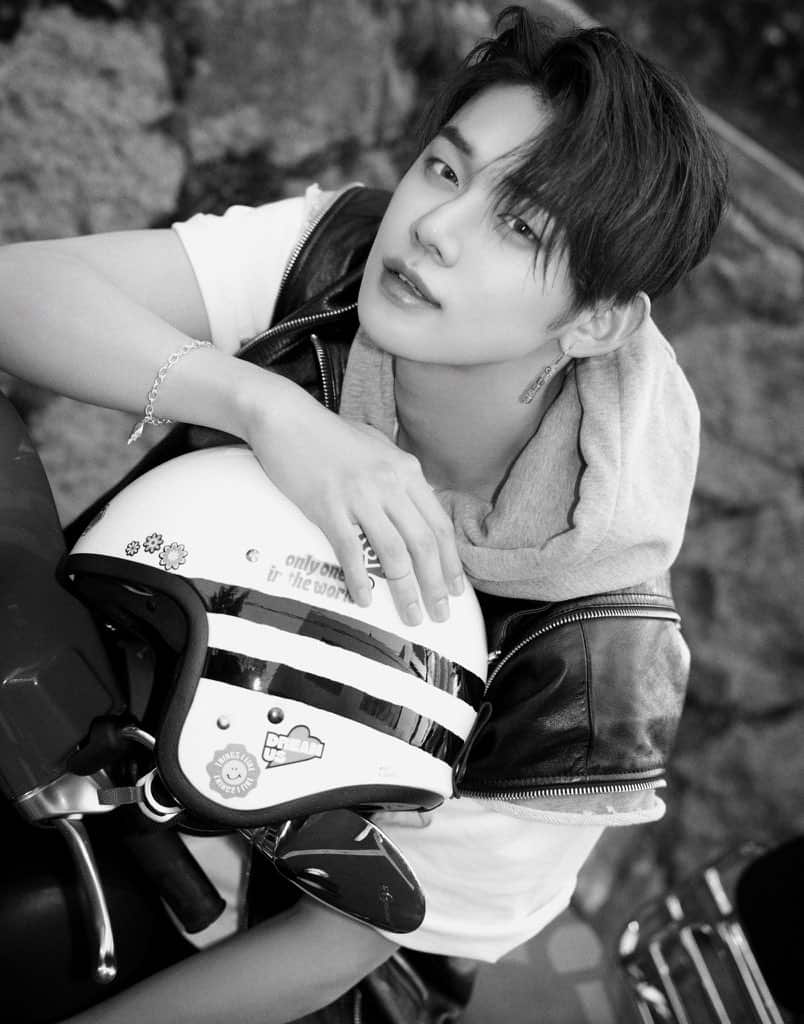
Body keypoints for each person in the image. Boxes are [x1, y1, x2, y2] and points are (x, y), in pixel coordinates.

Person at [0, 7, 727, 1023]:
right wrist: (271, 409)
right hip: (82, 733)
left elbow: (338, 946)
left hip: (262, 943)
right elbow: (19, 292)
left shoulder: (600, 652)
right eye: (445, 169)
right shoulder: (338, 257)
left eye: (521, 224)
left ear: (597, 319)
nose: (437, 225)